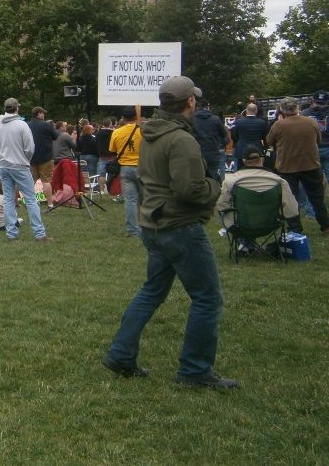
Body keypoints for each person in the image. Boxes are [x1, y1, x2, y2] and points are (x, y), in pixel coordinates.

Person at [103, 76, 236, 389]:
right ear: (190, 102)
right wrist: (217, 185)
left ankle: (121, 354)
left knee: (152, 290)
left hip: (153, 223)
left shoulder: (149, 132)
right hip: (178, 226)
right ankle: (195, 371)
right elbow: (190, 189)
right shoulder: (181, 140)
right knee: (207, 300)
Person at [266, 97, 329, 235]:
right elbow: (318, 140)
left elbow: (269, 141)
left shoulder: (278, 125)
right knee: (317, 198)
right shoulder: (311, 122)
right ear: (297, 108)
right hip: (311, 164)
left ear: (281, 110)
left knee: (291, 199)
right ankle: (325, 226)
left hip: (288, 167)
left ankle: (295, 228)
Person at [0, 98, 49, 242]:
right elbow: (29, 148)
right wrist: (25, 160)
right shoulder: (22, 125)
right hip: (20, 166)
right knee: (30, 199)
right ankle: (39, 233)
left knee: (8, 199)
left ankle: (11, 233)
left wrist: (2, 159)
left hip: (4, 166)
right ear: (17, 108)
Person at [216, 145, 300, 231]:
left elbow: (221, 206)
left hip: (240, 225)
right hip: (271, 225)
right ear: (262, 159)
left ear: (244, 161)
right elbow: (293, 211)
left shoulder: (231, 181)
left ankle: (245, 242)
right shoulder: (279, 181)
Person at [109, 107, 143, 238]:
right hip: (142, 167)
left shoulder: (117, 132)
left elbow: (112, 149)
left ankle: (132, 230)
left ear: (122, 118)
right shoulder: (143, 131)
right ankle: (147, 227)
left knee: (130, 200)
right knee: (145, 200)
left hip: (125, 168)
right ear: (136, 117)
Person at [192, 98, 230, 182]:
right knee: (212, 177)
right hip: (213, 154)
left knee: (199, 178)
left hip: (197, 154)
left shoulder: (192, 119)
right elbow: (224, 135)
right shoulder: (215, 119)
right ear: (208, 107)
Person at [27, 107, 59, 207]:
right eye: (43, 113)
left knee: (31, 181)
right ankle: (50, 203)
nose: (44, 115)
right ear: (39, 114)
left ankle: (30, 203)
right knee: (46, 181)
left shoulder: (27, 125)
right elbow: (55, 137)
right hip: (46, 157)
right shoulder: (46, 125)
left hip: (31, 157)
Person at [302, 90, 329, 185]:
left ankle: (316, 198)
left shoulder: (304, 113)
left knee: (315, 180)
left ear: (313, 100)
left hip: (312, 148)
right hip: (324, 147)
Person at [231, 103, 269, 170]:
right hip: (257, 150)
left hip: (241, 151)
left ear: (246, 111)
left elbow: (234, 136)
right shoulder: (262, 123)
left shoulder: (237, 122)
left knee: (240, 173)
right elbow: (264, 136)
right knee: (257, 172)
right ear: (256, 111)